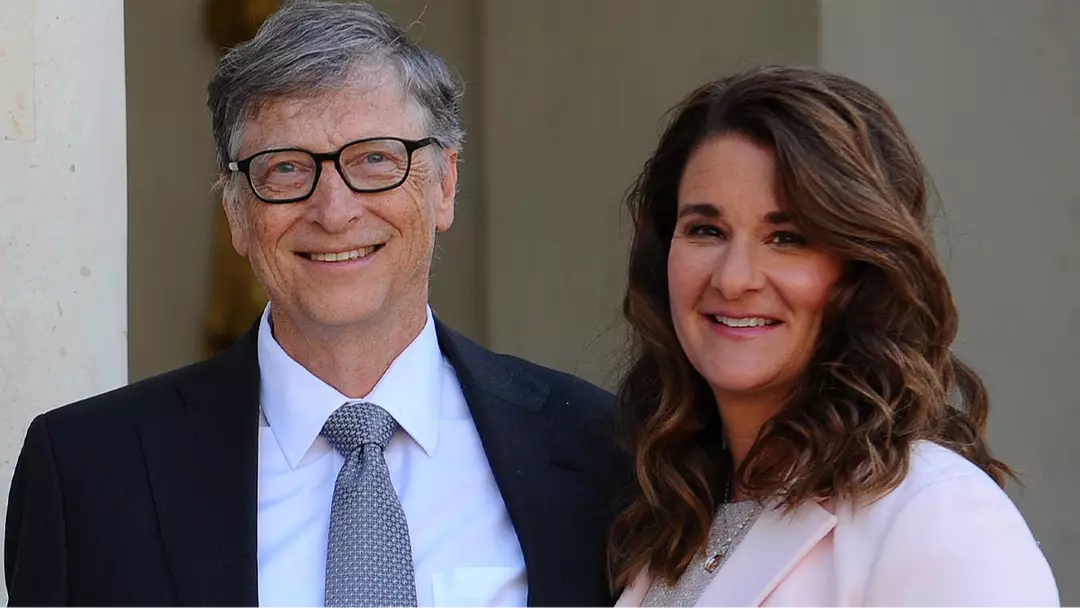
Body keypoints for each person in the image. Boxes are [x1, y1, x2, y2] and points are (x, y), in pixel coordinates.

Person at [4, 3, 627, 607]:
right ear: (236, 214)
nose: (334, 211)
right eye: (285, 169)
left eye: (375, 159)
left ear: (444, 184)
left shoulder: (600, 449)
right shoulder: (87, 474)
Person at [609, 66, 1059, 607]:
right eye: (706, 230)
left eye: (787, 238)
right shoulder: (668, 517)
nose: (733, 279)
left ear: (862, 268)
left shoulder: (936, 515)